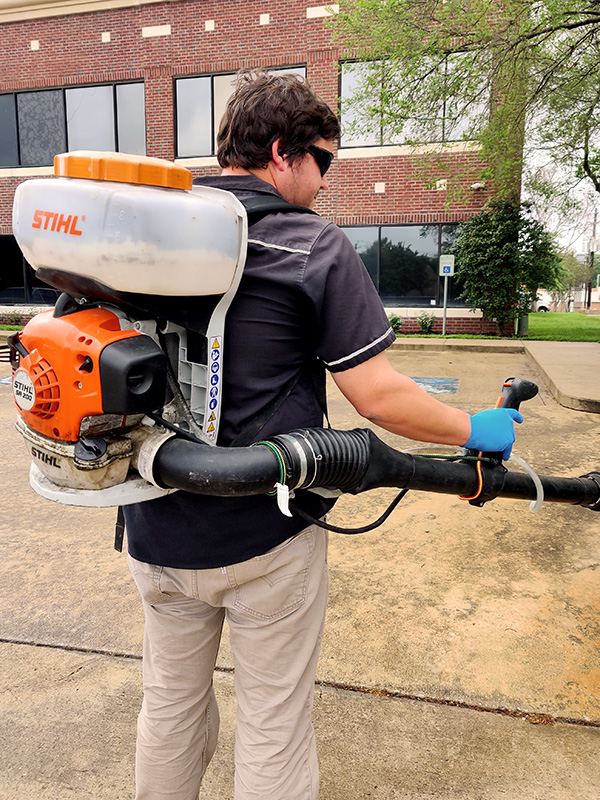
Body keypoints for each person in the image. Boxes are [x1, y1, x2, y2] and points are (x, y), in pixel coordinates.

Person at [123, 70, 522, 800]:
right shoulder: (311, 245)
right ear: (283, 152)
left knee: (170, 705)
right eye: (324, 162)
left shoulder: (145, 229)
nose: (326, 181)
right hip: (266, 537)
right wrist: (476, 427)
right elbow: (378, 397)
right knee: (273, 721)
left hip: (155, 526)